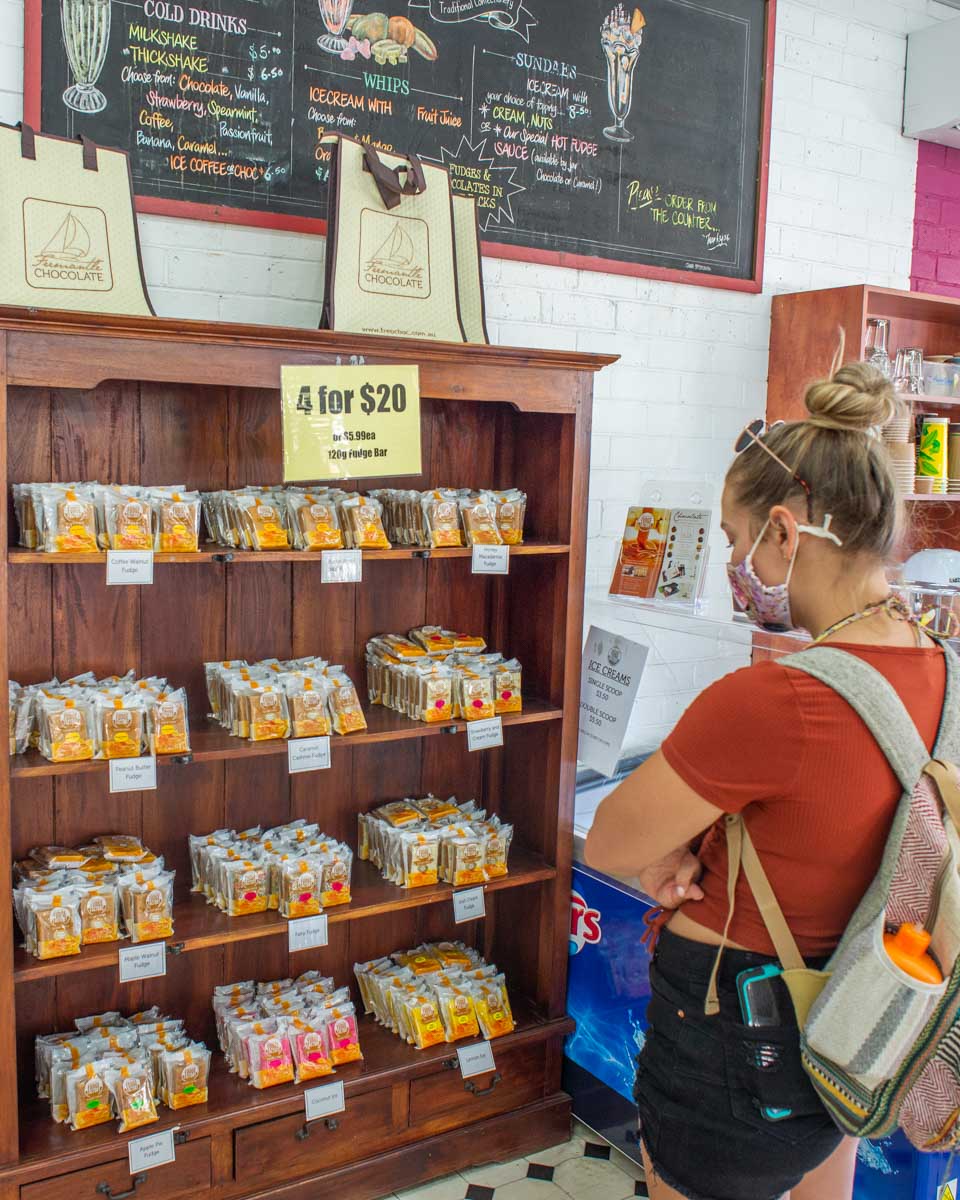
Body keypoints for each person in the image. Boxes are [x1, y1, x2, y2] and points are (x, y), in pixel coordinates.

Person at [585, 352, 947, 1200]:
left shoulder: (774, 698)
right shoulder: (944, 672)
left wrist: (667, 856)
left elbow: (608, 840)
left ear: (787, 531)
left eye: (739, 539)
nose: (734, 566)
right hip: (859, 1025)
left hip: (732, 1042)